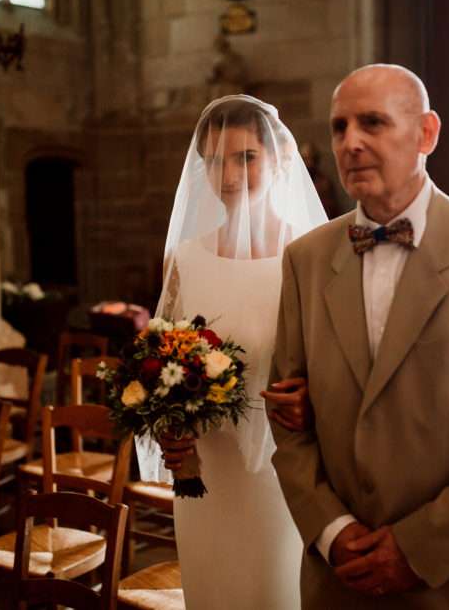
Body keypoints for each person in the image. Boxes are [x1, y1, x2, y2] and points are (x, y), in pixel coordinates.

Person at [266, 64, 449, 608]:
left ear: (426, 133)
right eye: (340, 127)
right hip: (339, 578)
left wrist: (418, 546)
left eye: (373, 123)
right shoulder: (305, 261)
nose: (351, 142)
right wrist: (331, 529)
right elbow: (286, 416)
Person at [139, 95, 328, 609]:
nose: (229, 173)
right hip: (205, 474)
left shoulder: (307, 256)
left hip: (277, 476)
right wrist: (166, 423)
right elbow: (158, 366)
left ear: (279, 160)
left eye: (246, 157)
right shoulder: (183, 260)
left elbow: (331, 373)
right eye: (216, 159)